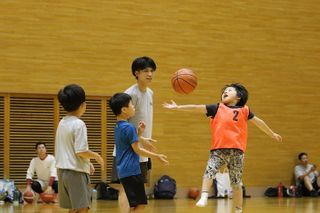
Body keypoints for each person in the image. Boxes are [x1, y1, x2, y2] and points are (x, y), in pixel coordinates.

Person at [163, 83, 282, 213]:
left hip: (237, 152)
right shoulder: (217, 108)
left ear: (238, 97)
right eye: (224, 91)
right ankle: (203, 196)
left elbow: (259, 122)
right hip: (218, 150)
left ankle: (238, 209)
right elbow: (196, 108)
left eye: (229, 90)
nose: (225, 92)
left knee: (236, 183)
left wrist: (272, 134)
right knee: (209, 171)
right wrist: (177, 107)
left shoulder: (245, 110)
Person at [111, 56, 157, 212]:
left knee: (139, 190)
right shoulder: (130, 94)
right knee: (125, 188)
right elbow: (125, 125)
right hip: (128, 151)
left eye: (152, 71)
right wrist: (142, 139)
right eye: (145, 71)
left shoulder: (150, 92)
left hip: (141, 150)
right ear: (136, 73)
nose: (150, 74)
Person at [109, 92, 168, 213]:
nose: (134, 106)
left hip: (124, 170)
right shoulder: (129, 127)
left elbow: (128, 143)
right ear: (124, 109)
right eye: (131, 104)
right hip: (132, 171)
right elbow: (138, 149)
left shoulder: (119, 126)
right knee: (140, 205)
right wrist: (157, 156)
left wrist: (139, 133)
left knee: (133, 205)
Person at [55, 84, 104, 213]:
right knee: (82, 208)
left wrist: (87, 163)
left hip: (62, 172)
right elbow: (81, 151)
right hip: (75, 173)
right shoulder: (79, 124)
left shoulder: (62, 122)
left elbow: (70, 150)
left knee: (74, 208)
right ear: (83, 104)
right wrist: (96, 156)